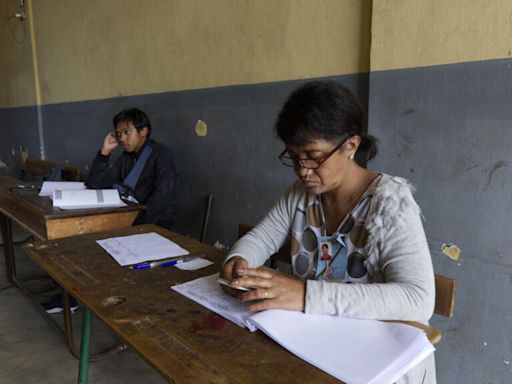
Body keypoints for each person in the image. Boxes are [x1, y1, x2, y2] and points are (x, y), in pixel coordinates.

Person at [220, 81, 436, 384]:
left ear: (350, 146)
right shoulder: (300, 195)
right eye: (294, 157)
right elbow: (262, 238)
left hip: (382, 363)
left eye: (313, 156)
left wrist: (306, 294)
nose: (302, 169)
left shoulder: (389, 202)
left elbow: (418, 299)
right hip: (318, 347)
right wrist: (240, 258)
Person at [43, 108, 179, 314]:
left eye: (127, 132)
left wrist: (133, 224)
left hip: (151, 225)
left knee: (92, 247)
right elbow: (96, 183)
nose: (122, 138)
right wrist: (105, 152)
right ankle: (72, 296)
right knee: (77, 242)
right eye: (118, 133)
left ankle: (76, 296)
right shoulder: (126, 158)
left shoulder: (161, 154)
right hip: (125, 220)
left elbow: (164, 197)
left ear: (144, 131)